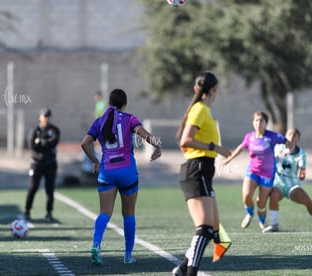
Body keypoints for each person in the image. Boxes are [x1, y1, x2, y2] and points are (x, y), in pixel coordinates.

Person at [81, 88, 162, 265]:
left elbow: (85, 144)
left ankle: (96, 245)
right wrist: (157, 146)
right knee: (129, 214)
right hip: (127, 171)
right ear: (125, 103)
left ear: (109, 103)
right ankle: (127, 255)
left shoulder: (99, 121)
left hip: (107, 171)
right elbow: (143, 134)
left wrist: (95, 161)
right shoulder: (129, 118)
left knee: (104, 212)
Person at [172, 72, 231, 276]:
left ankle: (181, 269)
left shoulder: (202, 109)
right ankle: (190, 272)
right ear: (214, 90)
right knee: (205, 228)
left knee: (216, 233)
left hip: (201, 171)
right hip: (196, 171)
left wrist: (213, 150)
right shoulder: (200, 109)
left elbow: (186, 144)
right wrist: (216, 147)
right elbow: (185, 141)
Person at [221, 111, 286, 230]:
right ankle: (249, 213)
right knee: (246, 196)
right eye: (256, 120)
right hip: (252, 171)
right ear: (253, 122)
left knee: (261, 202)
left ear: (266, 123)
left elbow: (286, 142)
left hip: (267, 173)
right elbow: (241, 147)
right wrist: (229, 159)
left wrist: (287, 153)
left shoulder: (272, 136)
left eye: (261, 120)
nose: (259, 123)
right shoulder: (249, 137)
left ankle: (262, 222)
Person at [263, 128, 312, 233]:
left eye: (295, 135)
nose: (291, 137)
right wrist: (277, 157)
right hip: (278, 184)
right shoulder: (277, 148)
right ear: (285, 136)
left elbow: (302, 172)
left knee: (307, 200)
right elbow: (268, 160)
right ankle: (274, 225)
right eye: (289, 134)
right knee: (273, 195)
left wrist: (302, 175)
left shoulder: (301, 154)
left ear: (298, 139)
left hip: (292, 185)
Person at [24, 108, 60, 222]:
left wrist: (41, 141)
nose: (46, 118)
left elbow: (53, 142)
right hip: (36, 164)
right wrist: (43, 142)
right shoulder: (35, 130)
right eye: (44, 116)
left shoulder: (54, 130)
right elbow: (32, 145)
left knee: (50, 189)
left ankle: (49, 213)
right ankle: (27, 211)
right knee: (33, 187)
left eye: (48, 116)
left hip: (50, 164)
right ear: (40, 117)